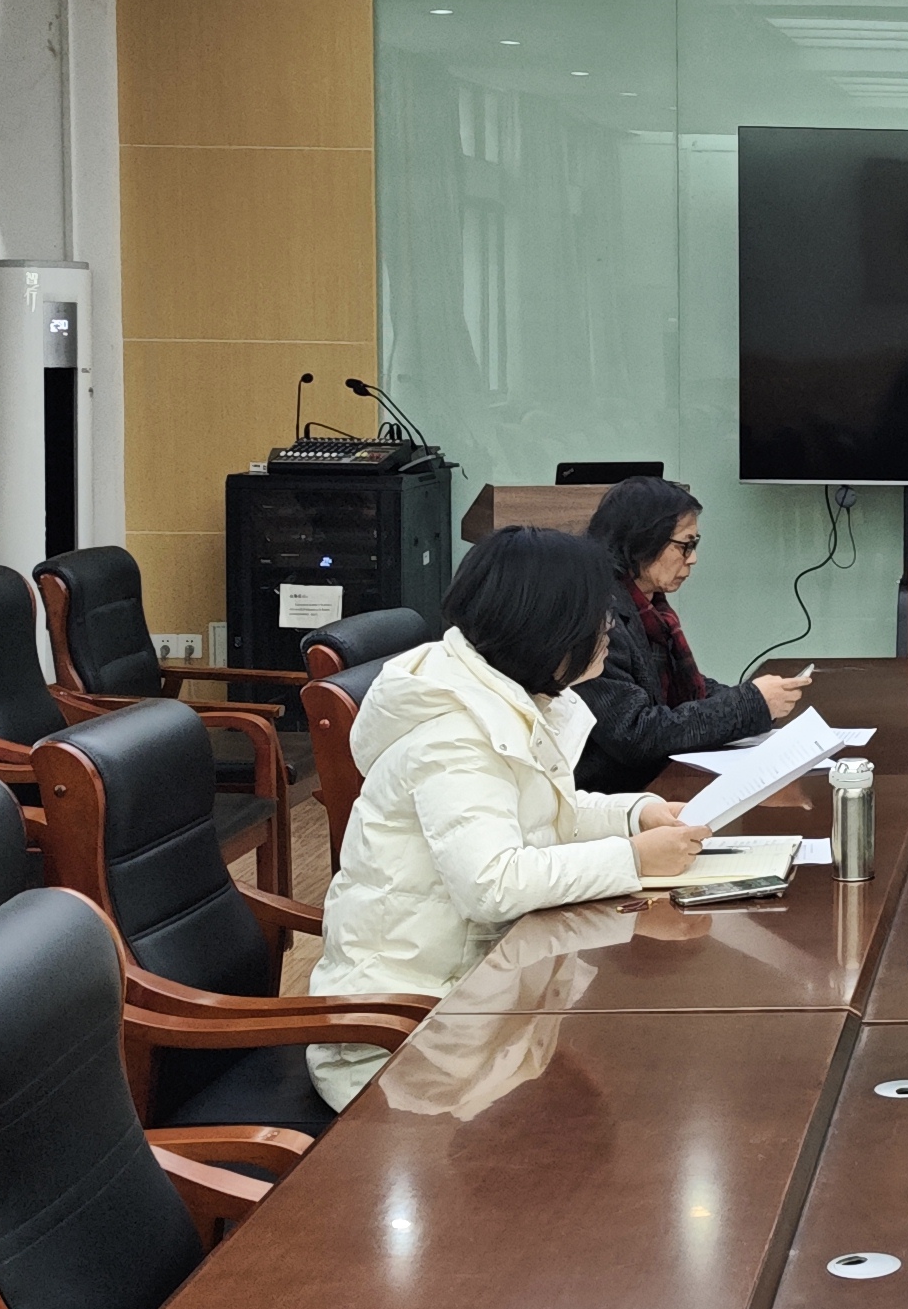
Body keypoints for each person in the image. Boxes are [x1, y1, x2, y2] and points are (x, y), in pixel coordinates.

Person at [305, 527, 708, 1109]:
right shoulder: (455, 735)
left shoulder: (507, 697)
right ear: (547, 626)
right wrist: (632, 860)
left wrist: (636, 814)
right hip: (406, 1039)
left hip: (481, 999)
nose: (610, 630)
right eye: (597, 617)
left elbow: (542, 812)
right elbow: (492, 883)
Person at [572, 474, 811, 790]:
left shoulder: (647, 606)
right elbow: (636, 733)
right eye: (685, 545)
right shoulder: (597, 617)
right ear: (643, 541)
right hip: (615, 796)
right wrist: (749, 704)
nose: (693, 558)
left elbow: (681, 687)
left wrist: (758, 699)